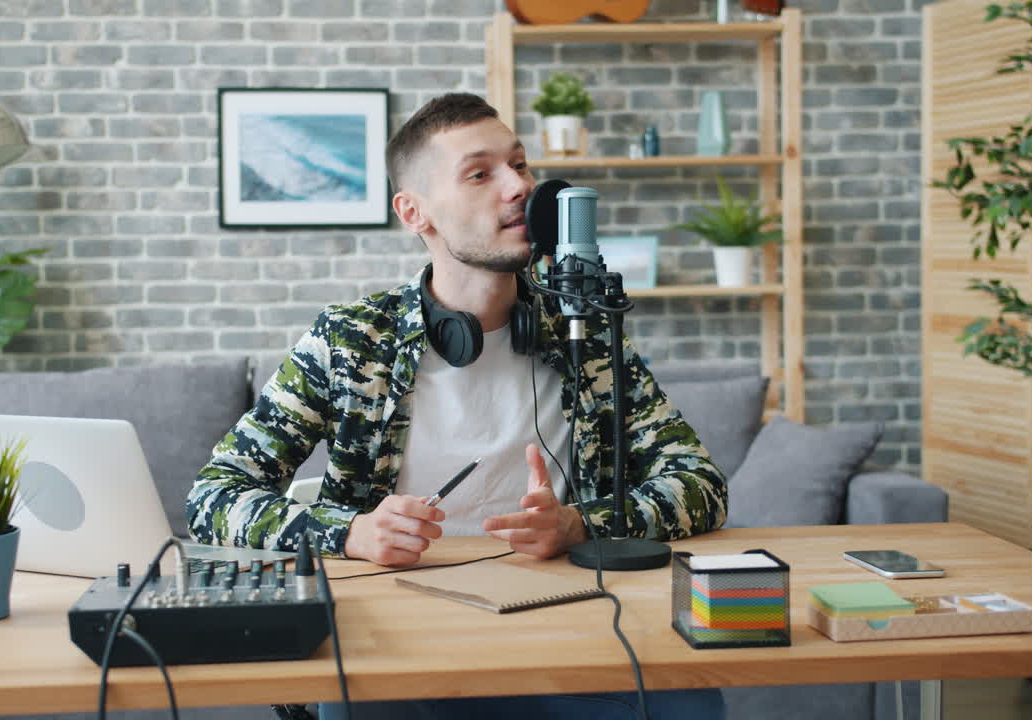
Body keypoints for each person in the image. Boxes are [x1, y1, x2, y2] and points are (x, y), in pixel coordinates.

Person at [187, 93, 727, 720]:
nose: (518, 186)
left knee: (691, 704)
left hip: (565, 628)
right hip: (399, 642)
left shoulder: (585, 334)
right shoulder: (350, 340)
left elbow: (702, 484)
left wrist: (581, 523)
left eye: (519, 165)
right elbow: (214, 495)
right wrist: (353, 532)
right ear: (415, 213)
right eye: (480, 173)